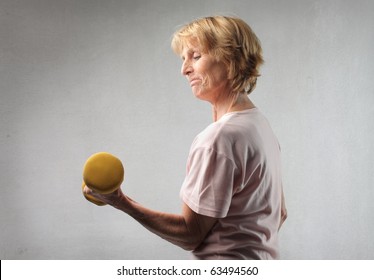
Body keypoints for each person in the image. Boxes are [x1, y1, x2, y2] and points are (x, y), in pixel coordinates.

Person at [84, 15, 287, 260]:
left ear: (230, 58)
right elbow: (280, 214)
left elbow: (191, 235)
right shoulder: (260, 125)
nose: (184, 69)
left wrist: (121, 201)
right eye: (183, 59)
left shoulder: (219, 139)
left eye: (196, 56)